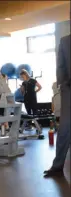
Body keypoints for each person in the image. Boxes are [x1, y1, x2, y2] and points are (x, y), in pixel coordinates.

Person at [44, 34, 70, 177]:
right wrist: (63, 84)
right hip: (69, 90)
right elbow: (60, 65)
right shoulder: (65, 41)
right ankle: (58, 166)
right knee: (65, 128)